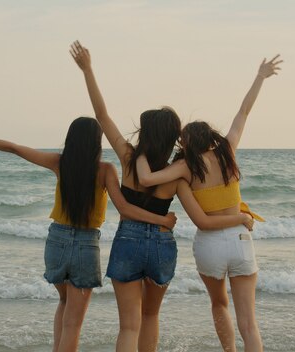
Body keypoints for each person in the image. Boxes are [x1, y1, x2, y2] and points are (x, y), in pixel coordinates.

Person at [70, 41, 254, 352]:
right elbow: (200, 210)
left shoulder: (129, 158)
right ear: (173, 138)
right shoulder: (178, 173)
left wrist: (88, 70)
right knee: (151, 315)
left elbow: (102, 115)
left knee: (128, 325)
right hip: (161, 244)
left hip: (128, 242)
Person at [0, 117, 177, 352]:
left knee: (64, 302)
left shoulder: (59, 163)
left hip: (56, 240)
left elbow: (14, 148)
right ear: (97, 143)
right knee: (73, 324)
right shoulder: (105, 170)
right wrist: (162, 220)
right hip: (86, 245)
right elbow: (125, 208)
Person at [135, 56, 283, 352]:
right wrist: (260, 76)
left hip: (210, 247)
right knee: (249, 325)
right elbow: (243, 111)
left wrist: (141, 153)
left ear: (187, 142)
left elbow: (147, 179)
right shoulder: (228, 151)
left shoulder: (185, 166)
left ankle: (228, 351)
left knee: (219, 304)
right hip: (241, 241)